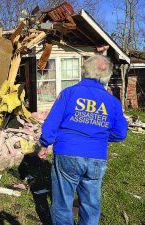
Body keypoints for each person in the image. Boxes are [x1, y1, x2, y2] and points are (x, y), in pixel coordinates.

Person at [38, 55, 127, 225]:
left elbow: (51, 123)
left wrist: (44, 143)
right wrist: (98, 136)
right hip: (96, 157)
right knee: (91, 205)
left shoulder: (69, 93)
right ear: (106, 76)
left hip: (67, 153)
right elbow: (121, 133)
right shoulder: (112, 102)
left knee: (63, 204)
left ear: (85, 71)